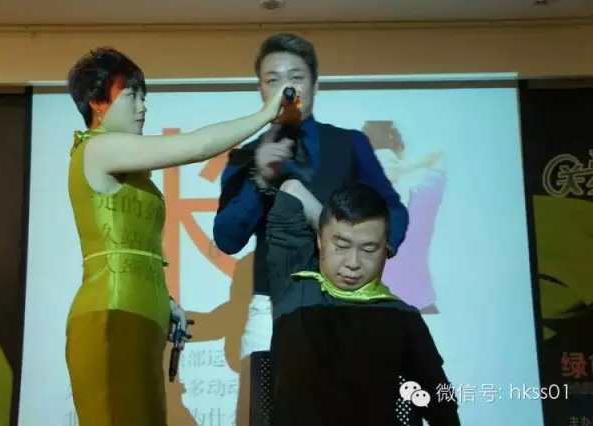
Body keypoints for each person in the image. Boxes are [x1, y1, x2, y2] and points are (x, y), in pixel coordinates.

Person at [65, 47, 286, 426]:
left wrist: (163, 300)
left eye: (143, 96)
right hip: (111, 318)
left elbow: (132, 246)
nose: (143, 107)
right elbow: (196, 145)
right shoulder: (96, 147)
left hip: (139, 318)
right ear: (98, 102)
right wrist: (266, 114)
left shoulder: (121, 162)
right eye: (131, 96)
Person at [212, 33, 409, 421]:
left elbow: (394, 212)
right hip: (273, 308)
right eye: (273, 79)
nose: (286, 88)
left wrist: (372, 250)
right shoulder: (245, 156)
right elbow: (227, 237)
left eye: (296, 77)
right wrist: (259, 179)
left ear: (315, 84)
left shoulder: (350, 144)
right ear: (260, 89)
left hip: (347, 304)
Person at [265, 180, 460, 426]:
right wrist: (332, 227)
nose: (353, 263)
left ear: (385, 250)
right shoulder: (294, 283)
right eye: (341, 246)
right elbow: (292, 190)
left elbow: (442, 407)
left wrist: (338, 235)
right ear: (319, 240)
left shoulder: (403, 317)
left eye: (368, 250)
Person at [363, 120, 447, 312]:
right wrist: (405, 167)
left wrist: (405, 167)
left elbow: (443, 155)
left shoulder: (422, 197)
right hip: (375, 311)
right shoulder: (349, 210)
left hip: (419, 311)